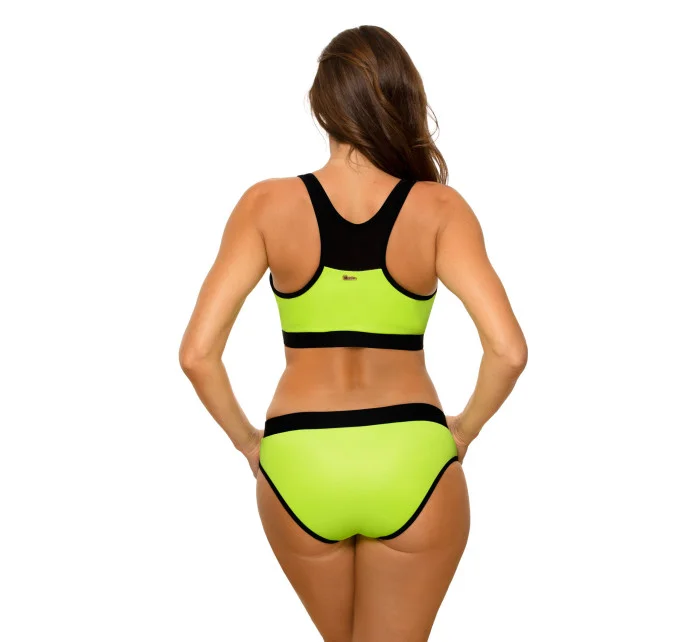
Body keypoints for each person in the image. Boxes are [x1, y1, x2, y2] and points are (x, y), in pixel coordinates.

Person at [179, 24, 527, 642]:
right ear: (405, 99)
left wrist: (249, 444)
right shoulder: (439, 210)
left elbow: (197, 355)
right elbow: (508, 351)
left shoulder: (265, 205)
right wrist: (464, 431)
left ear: (322, 106)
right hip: (411, 457)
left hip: (299, 458)